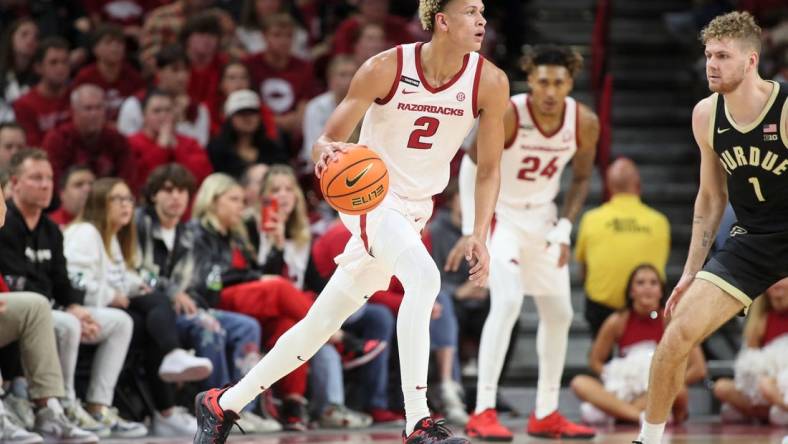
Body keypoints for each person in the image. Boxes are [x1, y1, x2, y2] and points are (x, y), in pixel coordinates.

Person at [193, 0, 510, 442]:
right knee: (424, 278)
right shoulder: (385, 67)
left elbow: (490, 168)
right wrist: (329, 153)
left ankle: (222, 404)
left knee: (320, 324)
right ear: (442, 20)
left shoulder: (490, 82)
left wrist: (479, 233)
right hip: (369, 195)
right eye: (471, 11)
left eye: (483, 12)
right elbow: (325, 140)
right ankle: (418, 421)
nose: (482, 20)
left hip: (417, 208)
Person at [634, 11, 788, 444]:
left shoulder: (786, 108)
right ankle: (649, 438)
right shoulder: (706, 115)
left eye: (723, 55)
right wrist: (689, 272)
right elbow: (710, 199)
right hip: (752, 238)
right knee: (678, 331)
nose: (711, 64)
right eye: (708, 55)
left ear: (751, 60)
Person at [454, 45, 599, 440]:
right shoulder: (511, 113)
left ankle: (546, 412)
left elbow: (583, 178)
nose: (551, 91)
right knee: (509, 300)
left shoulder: (583, 121)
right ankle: (482, 410)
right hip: (502, 215)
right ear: (530, 81)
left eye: (559, 82)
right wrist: (473, 228)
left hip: (543, 219)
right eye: (543, 82)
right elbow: (472, 164)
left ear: (570, 83)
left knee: (560, 314)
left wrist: (567, 225)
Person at [0, 149, 144, 438]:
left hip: (45, 306)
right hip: (37, 308)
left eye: (49, 178)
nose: (45, 185)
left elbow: (63, 281)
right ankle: (62, 402)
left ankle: (95, 406)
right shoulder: (9, 226)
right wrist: (66, 309)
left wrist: (75, 306)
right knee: (59, 318)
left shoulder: (51, 229)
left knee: (120, 321)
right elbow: (15, 281)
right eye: (36, 178)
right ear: (13, 184)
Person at [135, 164, 282, 434]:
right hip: (157, 309)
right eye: (168, 190)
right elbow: (137, 271)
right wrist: (173, 291)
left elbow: (197, 286)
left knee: (247, 326)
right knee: (209, 327)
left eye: (181, 191)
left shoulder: (186, 233)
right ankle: (219, 409)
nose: (176, 197)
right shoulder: (142, 224)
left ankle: (243, 409)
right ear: (153, 195)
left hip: (190, 306)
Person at [63, 177, 213, 437]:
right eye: (117, 199)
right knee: (149, 316)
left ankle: (163, 399)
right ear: (99, 203)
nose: (126, 205)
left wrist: (138, 284)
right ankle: (161, 398)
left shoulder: (110, 238)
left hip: (104, 308)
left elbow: (119, 277)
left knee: (154, 307)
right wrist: (111, 295)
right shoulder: (85, 232)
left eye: (129, 199)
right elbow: (73, 280)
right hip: (81, 310)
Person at [570, 265, 706, 425]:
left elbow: (699, 368)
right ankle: (637, 416)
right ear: (631, 291)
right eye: (640, 283)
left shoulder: (673, 320)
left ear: (661, 291)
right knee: (579, 382)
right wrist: (614, 376)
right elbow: (595, 361)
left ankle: (618, 413)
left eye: (653, 283)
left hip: (656, 390)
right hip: (624, 390)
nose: (647, 287)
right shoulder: (617, 321)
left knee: (679, 392)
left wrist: (669, 381)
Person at [575, 158, 671, 338]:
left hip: (601, 308)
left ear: (609, 186)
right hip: (647, 307)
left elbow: (583, 268)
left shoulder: (591, 219)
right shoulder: (659, 221)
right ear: (638, 185)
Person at [713, 277, 788, 425]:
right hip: (769, 385)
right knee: (721, 387)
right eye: (774, 278)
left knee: (767, 386)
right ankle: (779, 409)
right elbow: (749, 365)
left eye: (783, 278)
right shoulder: (760, 321)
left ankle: (779, 409)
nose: (777, 283)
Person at [41, 84, 136, 189]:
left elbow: (128, 179)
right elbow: (54, 182)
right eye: (88, 108)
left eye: (98, 107)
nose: (94, 114)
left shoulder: (117, 139)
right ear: (74, 111)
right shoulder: (58, 140)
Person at [127, 89, 213, 193]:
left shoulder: (190, 143)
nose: (163, 115)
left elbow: (203, 178)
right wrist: (161, 148)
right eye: (157, 111)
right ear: (144, 116)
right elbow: (141, 180)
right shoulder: (131, 143)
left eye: (168, 110)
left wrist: (176, 148)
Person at [207, 90, 288, 178]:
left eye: (252, 113)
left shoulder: (272, 149)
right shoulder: (216, 150)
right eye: (241, 114)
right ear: (229, 119)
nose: (248, 118)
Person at [72, 24, 145, 121]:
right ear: (95, 49)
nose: (115, 47)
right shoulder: (85, 77)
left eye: (119, 43)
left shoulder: (133, 75)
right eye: (108, 43)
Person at [11, 37, 71, 147]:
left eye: (65, 62)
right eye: (53, 62)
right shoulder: (24, 104)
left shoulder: (78, 97)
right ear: (38, 67)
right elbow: (32, 149)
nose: (61, 67)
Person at [0, 18, 38, 123]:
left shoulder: (40, 75)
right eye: (24, 34)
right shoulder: (2, 74)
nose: (31, 39)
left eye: (35, 36)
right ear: (11, 38)